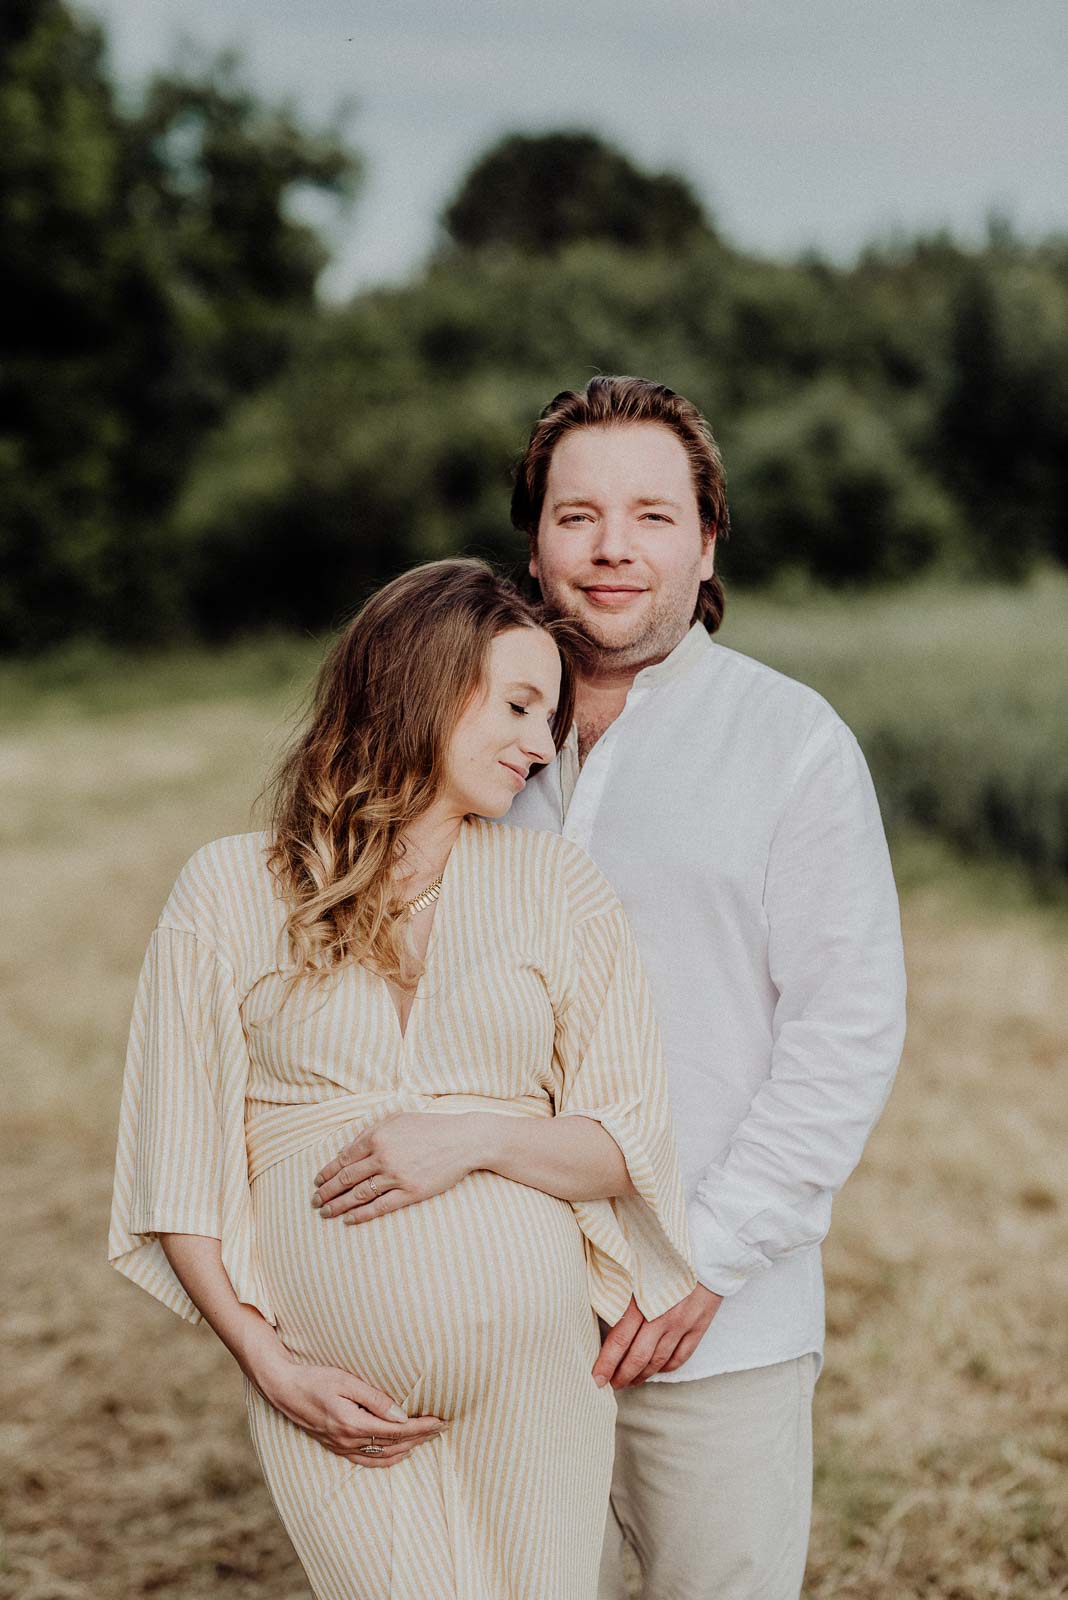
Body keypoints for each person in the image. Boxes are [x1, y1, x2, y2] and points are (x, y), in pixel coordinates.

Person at [107, 559, 697, 1600]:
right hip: (333, 1395)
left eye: (550, 714)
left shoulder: (556, 885)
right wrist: (269, 1365)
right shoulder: (229, 890)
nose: (538, 740)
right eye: (516, 703)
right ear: (420, 683)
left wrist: (469, 1136)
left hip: (537, 1384)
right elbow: (178, 1172)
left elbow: (624, 1140)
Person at [503, 375, 907, 1598]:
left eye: (651, 515)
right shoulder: (474, 736)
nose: (612, 548)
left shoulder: (791, 743)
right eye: (577, 516)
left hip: (719, 1323)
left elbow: (844, 1032)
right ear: (534, 540)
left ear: (706, 536)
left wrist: (706, 1258)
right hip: (502, 1318)